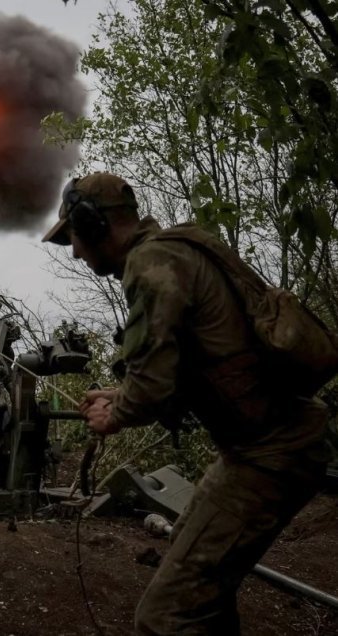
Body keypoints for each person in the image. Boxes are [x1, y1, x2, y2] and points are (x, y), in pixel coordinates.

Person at [43, 173, 329, 634]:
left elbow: (151, 392)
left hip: (271, 454)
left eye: (74, 237)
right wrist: (122, 394)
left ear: (92, 224)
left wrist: (115, 413)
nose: (74, 251)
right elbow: (192, 366)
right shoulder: (178, 251)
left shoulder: (151, 265)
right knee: (202, 598)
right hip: (263, 447)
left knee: (165, 617)